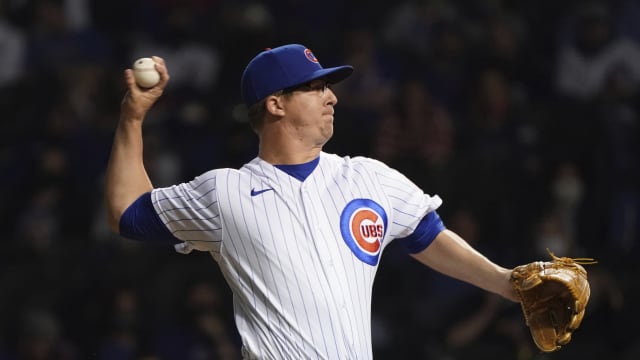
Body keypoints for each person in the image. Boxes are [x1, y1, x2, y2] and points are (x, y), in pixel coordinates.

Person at [105, 43, 519, 359]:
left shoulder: (367, 177)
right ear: (275, 104)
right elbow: (127, 211)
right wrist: (133, 116)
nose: (331, 97)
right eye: (315, 87)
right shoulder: (225, 192)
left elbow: (427, 234)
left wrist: (506, 283)